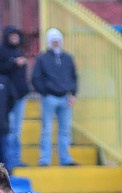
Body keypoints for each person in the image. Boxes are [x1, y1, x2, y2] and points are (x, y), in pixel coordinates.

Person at [31, 28, 78, 167]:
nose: (56, 42)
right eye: (53, 40)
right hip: (49, 98)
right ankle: (45, 159)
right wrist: (45, 92)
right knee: (47, 129)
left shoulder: (67, 58)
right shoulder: (42, 58)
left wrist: (73, 94)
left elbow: (74, 77)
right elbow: (36, 78)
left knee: (65, 130)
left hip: (65, 98)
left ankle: (65, 159)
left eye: (57, 39)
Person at [0, 26, 31, 171]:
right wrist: (13, 64)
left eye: (17, 35)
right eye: (12, 36)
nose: (15, 38)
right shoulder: (0, 52)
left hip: (20, 96)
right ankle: (8, 159)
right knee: (10, 129)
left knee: (17, 130)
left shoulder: (19, 51)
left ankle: (16, 158)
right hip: (7, 98)